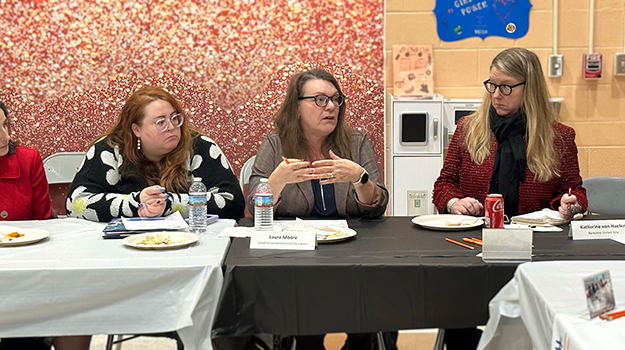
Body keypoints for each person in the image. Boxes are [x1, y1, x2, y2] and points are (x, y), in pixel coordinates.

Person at [432, 48, 588, 350]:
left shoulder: (559, 137)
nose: (496, 94)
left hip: (535, 253)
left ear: (529, 88)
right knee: (465, 326)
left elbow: (574, 189)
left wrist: (571, 202)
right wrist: (454, 203)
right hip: (474, 251)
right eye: (491, 85)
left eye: (506, 87)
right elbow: (444, 185)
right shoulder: (468, 129)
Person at [248, 69, 393, 349]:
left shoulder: (355, 143)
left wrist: (359, 178)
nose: (330, 107)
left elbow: (378, 204)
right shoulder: (275, 145)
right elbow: (256, 211)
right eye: (319, 99)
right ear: (296, 107)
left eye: (335, 99)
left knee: (370, 308)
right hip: (297, 257)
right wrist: (275, 183)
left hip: (352, 250)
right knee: (307, 325)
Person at [66, 86, 245, 222]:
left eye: (175, 118)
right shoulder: (109, 150)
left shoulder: (200, 147)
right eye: (160, 122)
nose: (172, 127)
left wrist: (168, 204)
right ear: (137, 130)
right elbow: (76, 204)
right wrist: (135, 203)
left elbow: (233, 203)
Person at [0, 101, 91, 350]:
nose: (5, 136)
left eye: (5, 125)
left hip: (27, 267)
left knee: (73, 302)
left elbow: (44, 223)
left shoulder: (28, 159)